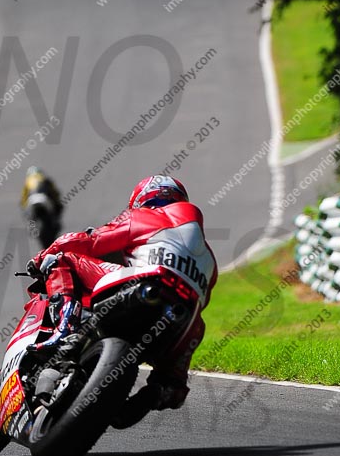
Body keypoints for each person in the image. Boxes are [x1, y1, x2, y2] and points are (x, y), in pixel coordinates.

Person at [26, 175, 217, 417]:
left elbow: (91, 241)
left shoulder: (146, 216)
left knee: (62, 260)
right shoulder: (209, 258)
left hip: (143, 286)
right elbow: (205, 301)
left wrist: (45, 254)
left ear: (142, 199)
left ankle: (64, 332)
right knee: (177, 369)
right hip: (184, 321)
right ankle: (165, 389)